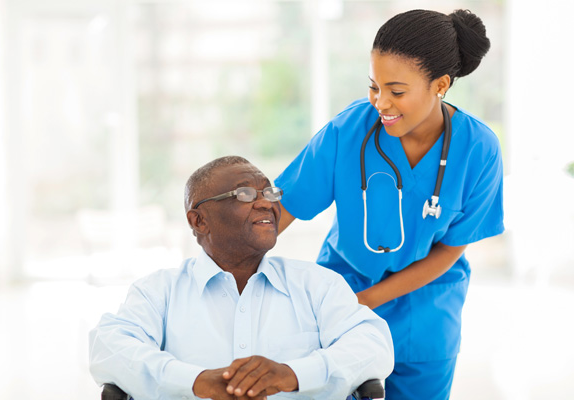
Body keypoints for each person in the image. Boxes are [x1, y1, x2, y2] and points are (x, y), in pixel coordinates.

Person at [274, 9, 503, 400]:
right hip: (341, 302)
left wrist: (368, 301)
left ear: (441, 85)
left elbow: (450, 250)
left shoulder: (478, 150)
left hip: (425, 313)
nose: (381, 103)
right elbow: (280, 211)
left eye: (396, 91)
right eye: (373, 86)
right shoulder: (348, 132)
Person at [89, 156, 394, 400]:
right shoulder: (158, 291)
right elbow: (110, 347)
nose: (266, 203)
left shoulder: (316, 284)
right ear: (199, 220)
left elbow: (372, 345)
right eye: (245, 193)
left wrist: (292, 374)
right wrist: (197, 382)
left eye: (269, 192)